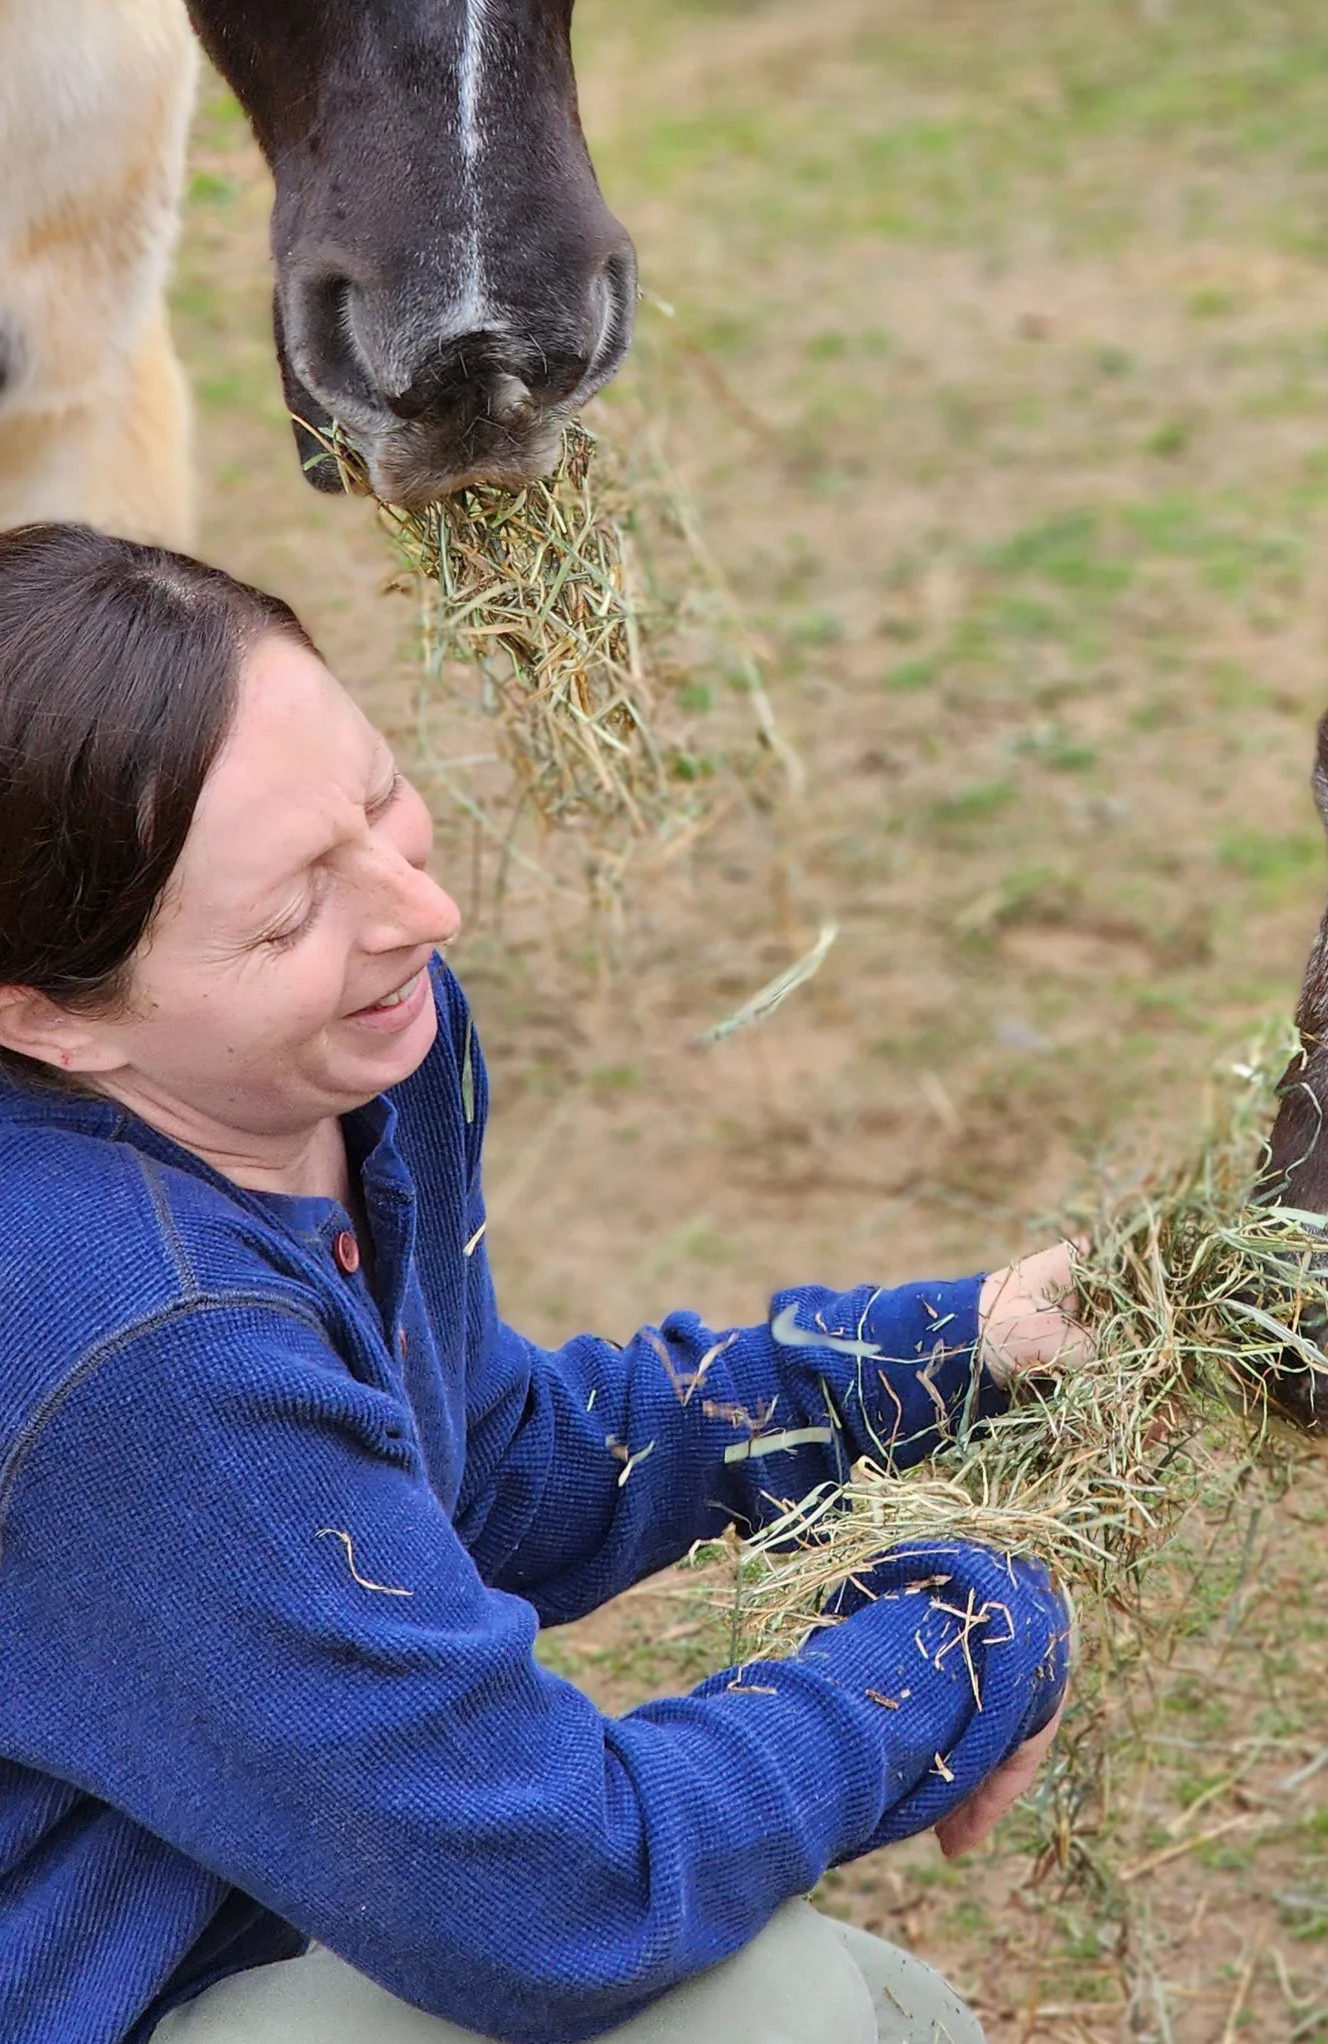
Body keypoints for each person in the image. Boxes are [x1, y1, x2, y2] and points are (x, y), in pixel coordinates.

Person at [0, 522, 1085, 2044]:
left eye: (380, 800)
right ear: (49, 1019)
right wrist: (962, 1648)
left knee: (907, 2018)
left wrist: (934, 1358)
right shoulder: (136, 1338)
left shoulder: (361, 1058)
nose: (416, 913)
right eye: (289, 909)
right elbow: (567, 1895)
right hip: (87, 1985)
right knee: (773, 2015)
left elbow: (479, 1466)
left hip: (249, 1881)